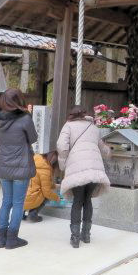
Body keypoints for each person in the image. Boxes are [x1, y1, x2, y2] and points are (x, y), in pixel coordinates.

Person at [57, 105, 111, 249]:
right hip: (95, 169)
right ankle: (86, 235)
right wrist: (109, 152)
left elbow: (62, 147)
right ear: (84, 114)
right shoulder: (93, 128)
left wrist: (62, 164)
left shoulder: (68, 126)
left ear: (71, 115)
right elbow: (103, 148)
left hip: (77, 168)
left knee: (78, 200)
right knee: (87, 200)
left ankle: (75, 238)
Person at [0, 89, 37, 249]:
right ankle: (12, 240)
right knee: (18, 203)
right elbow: (33, 138)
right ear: (19, 100)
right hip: (21, 166)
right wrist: (29, 115)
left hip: (4, 165)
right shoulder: (25, 119)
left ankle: (1, 239)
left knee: (6, 202)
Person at [23, 151, 60, 222]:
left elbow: (39, 182)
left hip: (21, 196)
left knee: (31, 189)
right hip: (30, 197)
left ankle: (21, 214)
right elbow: (47, 192)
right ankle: (33, 214)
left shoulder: (34, 161)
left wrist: (54, 185)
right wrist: (57, 198)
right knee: (46, 196)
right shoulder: (45, 170)